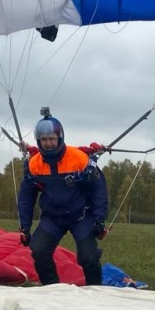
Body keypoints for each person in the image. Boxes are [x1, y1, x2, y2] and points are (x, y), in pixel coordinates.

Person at [17, 110, 108, 286]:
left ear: (60, 138)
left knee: (88, 258)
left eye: (52, 138)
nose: (48, 143)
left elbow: (99, 190)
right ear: (38, 141)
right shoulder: (34, 164)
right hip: (53, 217)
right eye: (44, 140)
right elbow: (26, 197)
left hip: (80, 216)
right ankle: (51, 290)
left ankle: (97, 293)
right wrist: (25, 227)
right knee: (39, 250)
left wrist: (99, 220)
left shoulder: (79, 158)